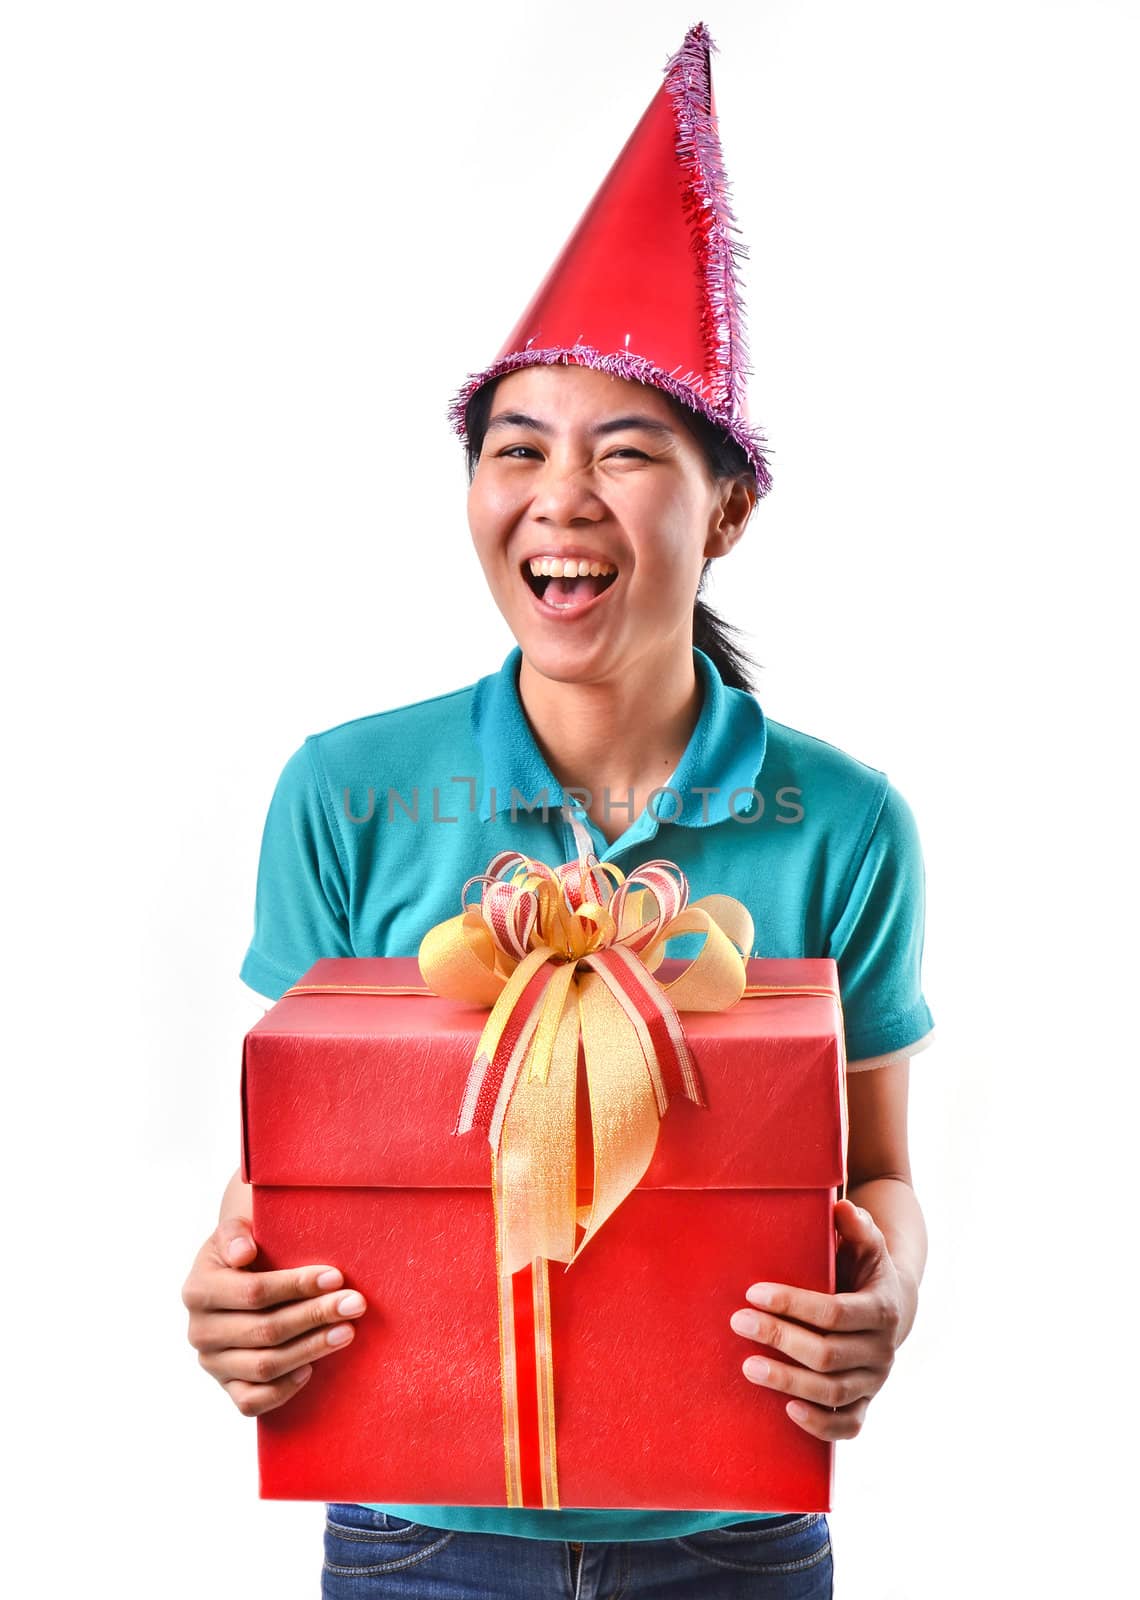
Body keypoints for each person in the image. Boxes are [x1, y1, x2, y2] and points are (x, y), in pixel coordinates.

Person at [182, 23, 935, 1599]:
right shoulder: (346, 792)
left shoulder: (846, 820)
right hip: (413, 1535)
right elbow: (299, 1170)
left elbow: (876, 1185)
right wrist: (228, 1289)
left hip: (735, 1537)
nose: (561, 498)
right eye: (516, 450)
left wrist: (888, 1297)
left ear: (728, 505)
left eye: (627, 453)